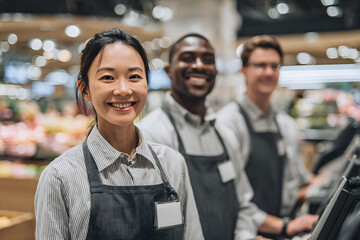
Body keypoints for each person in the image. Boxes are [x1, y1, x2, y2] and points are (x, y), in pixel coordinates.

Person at [138, 33, 315, 240]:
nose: (199, 65)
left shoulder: (222, 133)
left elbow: (242, 205)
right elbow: (156, 220)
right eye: (187, 58)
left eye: (208, 60)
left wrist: (247, 237)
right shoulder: (151, 134)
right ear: (168, 71)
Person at [34, 28, 204, 240]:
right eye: (108, 77)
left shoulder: (173, 164)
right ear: (84, 89)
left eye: (134, 76)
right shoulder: (60, 177)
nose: (123, 89)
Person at [216, 35, 318, 238]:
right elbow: (229, 196)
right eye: (260, 65)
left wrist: (323, 183)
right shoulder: (228, 122)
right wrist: (280, 226)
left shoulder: (285, 124)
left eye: (274, 66)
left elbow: (296, 179)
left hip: (283, 228)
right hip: (247, 234)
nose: (269, 72)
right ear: (244, 70)